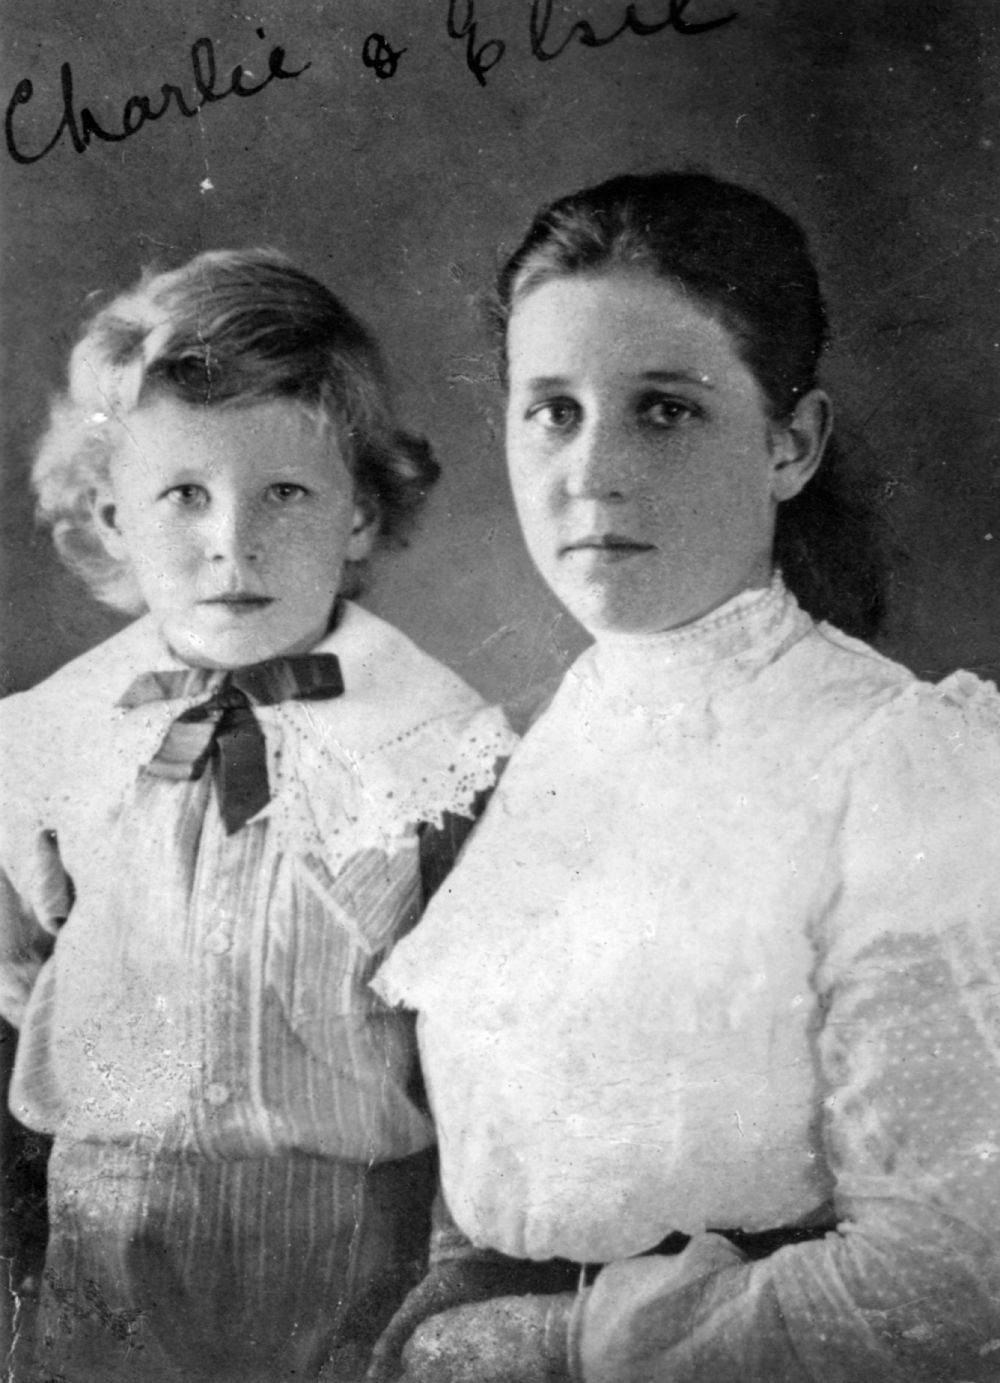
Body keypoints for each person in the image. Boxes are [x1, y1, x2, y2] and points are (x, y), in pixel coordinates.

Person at [370, 171, 1000, 1382]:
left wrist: (555, 1347)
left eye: (663, 410)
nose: (591, 473)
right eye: (549, 410)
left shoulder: (897, 764)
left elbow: (956, 1267)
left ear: (789, 444)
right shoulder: (561, 737)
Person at [0, 248, 515, 1383]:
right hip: (105, 1250)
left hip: (350, 1247)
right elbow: (24, 969)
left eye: (285, 492)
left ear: (362, 518)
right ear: (112, 516)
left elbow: (482, 1042)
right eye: (183, 494)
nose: (232, 541)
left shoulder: (436, 746)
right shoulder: (51, 736)